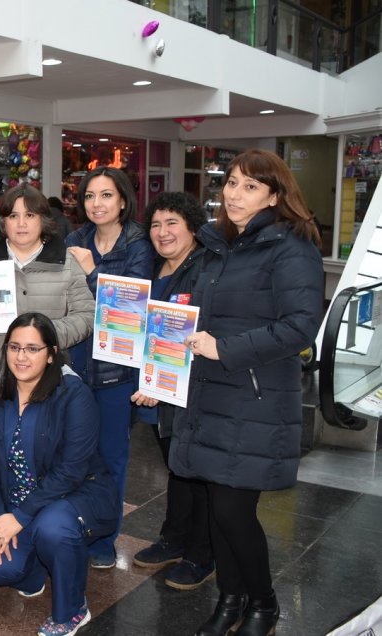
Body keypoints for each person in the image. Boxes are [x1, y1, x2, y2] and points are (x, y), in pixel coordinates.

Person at [170, 149, 324, 636]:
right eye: (232, 183)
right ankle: (231, 599)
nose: (235, 195)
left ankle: (264, 603)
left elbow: (301, 327)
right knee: (219, 510)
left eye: (250, 187)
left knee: (236, 513)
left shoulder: (291, 247)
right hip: (210, 394)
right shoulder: (219, 246)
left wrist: (226, 348)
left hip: (253, 398)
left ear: (275, 195)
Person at [0, 312, 118, 636]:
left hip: (76, 495)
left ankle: (71, 610)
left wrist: (20, 516)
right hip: (16, 504)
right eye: (14, 347)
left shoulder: (73, 395)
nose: (21, 356)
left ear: (51, 354)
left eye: (33, 349)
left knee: (53, 527)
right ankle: (34, 571)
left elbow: (71, 470)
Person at [64, 167, 153, 568]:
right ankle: (71, 530)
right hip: (74, 362)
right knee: (72, 456)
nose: (96, 204)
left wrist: (90, 271)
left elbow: (131, 307)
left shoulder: (139, 244)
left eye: (105, 195)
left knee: (111, 458)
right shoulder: (75, 239)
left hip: (117, 369)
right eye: (89, 196)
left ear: (122, 200)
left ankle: (103, 540)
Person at [127, 192, 214, 590]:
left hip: (193, 393)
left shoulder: (207, 271)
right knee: (176, 469)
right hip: (157, 392)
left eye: (172, 223)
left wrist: (164, 381)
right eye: (156, 225)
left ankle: (202, 553)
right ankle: (174, 538)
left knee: (196, 474)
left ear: (193, 226)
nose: (163, 233)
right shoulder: (154, 270)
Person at [0, 185, 94, 392]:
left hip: (47, 378)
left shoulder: (67, 263)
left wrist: (42, 334)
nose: (21, 224)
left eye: (30, 215)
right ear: (3, 222)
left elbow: (87, 316)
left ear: (43, 219)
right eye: (13, 216)